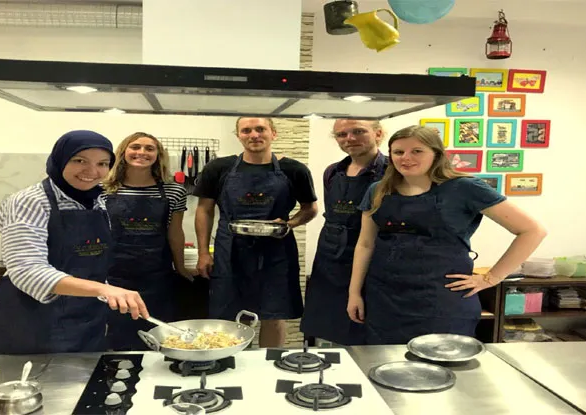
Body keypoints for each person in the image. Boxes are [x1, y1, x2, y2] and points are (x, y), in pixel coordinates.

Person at [347, 125, 547, 345]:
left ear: (436, 154)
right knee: (384, 365)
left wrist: (491, 278)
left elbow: (532, 231)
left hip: (441, 301)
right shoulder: (378, 190)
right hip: (384, 299)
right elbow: (365, 244)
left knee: (441, 368)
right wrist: (354, 293)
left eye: (417, 151)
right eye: (398, 152)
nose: (406, 158)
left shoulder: (464, 188)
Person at [0, 130, 149, 355]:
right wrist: (103, 289)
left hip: (85, 320)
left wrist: (108, 291)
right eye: (79, 161)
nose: (92, 171)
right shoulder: (29, 202)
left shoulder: (97, 201)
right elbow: (26, 270)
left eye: (102, 163)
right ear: (60, 159)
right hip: (32, 322)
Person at [194, 117, 318, 347]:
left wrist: (289, 224)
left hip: (277, 252)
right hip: (229, 250)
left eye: (260, 129)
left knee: (273, 315)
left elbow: (311, 209)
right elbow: (204, 210)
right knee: (227, 314)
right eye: (246, 130)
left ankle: (268, 365)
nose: (254, 135)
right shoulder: (218, 168)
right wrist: (203, 252)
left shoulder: (295, 170)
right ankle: (231, 364)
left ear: (273, 133)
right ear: (238, 135)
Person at [100, 132, 195, 351]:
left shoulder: (173, 191)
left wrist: (180, 267)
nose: (141, 152)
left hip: (157, 276)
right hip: (115, 276)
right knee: (120, 337)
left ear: (158, 156)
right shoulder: (103, 190)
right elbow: (98, 232)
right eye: (135, 147)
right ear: (123, 153)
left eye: (149, 149)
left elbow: (175, 232)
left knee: (160, 335)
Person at [300, 119, 388, 346]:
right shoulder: (332, 172)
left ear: (378, 134)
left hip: (374, 256)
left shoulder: (393, 172)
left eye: (358, 132)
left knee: (366, 328)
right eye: (342, 134)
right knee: (327, 327)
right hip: (330, 257)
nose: (350, 139)